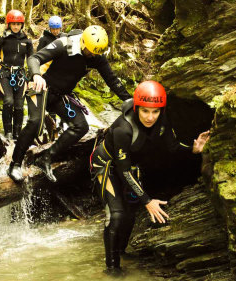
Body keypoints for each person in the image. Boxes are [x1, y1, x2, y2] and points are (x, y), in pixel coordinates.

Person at [89, 81, 210, 276]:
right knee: (117, 215)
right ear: (137, 108)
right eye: (145, 111)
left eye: (155, 112)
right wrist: (148, 201)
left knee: (130, 214)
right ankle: (112, 269)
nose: (150, 117)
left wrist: (193, 150)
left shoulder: (162, 120)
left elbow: (173, 147)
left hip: (129, 166)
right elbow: (123, 170)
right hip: (107, 165)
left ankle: (121, 251)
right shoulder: (123, 129)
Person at [8, 25, 131, 183]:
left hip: (60, 95)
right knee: (35, 123)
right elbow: (34, 58)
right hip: (40, 88)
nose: (92, 56)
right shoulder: (64, 44)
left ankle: (46, 158)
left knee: (81, 126)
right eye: (90, 52)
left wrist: (129, 100)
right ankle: (14, 165)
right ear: (83, 43)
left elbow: (112, 79)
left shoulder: (97, 56)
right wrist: (36, 75)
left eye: (96, 53)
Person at [0, 10, 33, 140]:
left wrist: (30, 79)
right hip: (4, 73)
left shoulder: (27, 41)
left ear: (22, 25)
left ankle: (17, 133)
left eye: (18, 24)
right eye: (13, 24)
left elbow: (31, 60)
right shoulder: (2, 38)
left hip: (20, 75)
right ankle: (7, 132)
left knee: (19, 105)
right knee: (9, 101)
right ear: (8, 24)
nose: (15, 27)